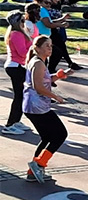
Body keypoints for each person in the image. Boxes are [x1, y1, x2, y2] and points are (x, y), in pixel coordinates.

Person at [22, 35, 72, 183]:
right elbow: (38, 87)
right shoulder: (38, 63)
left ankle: (33, 171)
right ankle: (39, 164)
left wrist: (58, 76)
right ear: (37, 48)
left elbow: (44, 80)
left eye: (51, 45)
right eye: (47, 46)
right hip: (37, 107)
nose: (50, 49)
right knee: (60, 134)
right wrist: (56, 97)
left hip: (35, 106)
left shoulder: (38, 62)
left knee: (48, 137)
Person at [2, 11, 34, 135]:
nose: (24, 22)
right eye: (22, 20)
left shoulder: (19, 33)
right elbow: (22, 53)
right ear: (17, 22)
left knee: (22, 95)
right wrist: (34, 48)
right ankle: (10, 124)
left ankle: (16, 121)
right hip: (15, 67)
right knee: (19, 96)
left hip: (17, 66)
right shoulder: (16, 34)